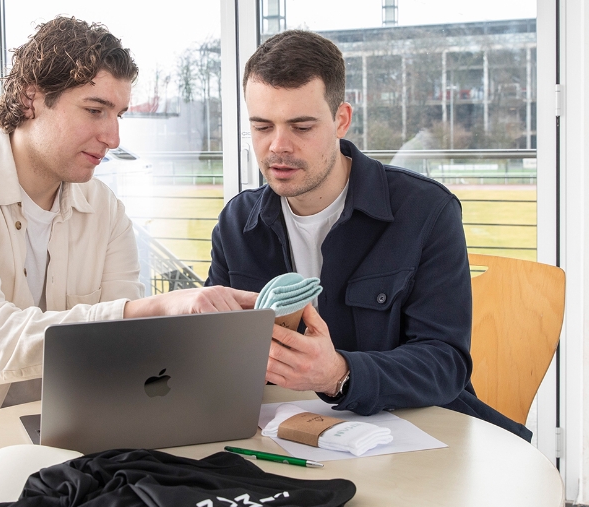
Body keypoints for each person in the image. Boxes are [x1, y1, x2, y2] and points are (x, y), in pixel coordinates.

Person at [0, 17, 254, 453]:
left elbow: (122, 352)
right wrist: (156, 306)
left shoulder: (104, 209)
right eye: (95, 109)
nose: (113, 135)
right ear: (31, 99)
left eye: (118, 114)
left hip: (53, 448)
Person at [207, 30, 530, 440]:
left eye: (301, 126)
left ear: (342, 119)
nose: (277, 146)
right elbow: (213, 354)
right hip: (286, 441)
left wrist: (339, 373)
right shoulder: (237, 223)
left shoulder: (426, 211)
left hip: (417, 440)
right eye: (262, 126)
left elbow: (444, 364)